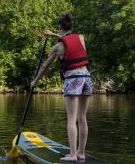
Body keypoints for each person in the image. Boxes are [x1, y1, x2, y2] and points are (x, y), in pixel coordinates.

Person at [30, 12, 92, 162]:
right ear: (71, 26)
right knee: (82, 118)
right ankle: (81, 153)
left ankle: (72, 155)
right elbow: (70, 41)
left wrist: (35, 81)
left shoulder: (57, 48)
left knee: (71, 119)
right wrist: (53, 34)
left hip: (73, 79)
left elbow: (45, 66)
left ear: (60, 27)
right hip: (87, 78)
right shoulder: (81, 38)